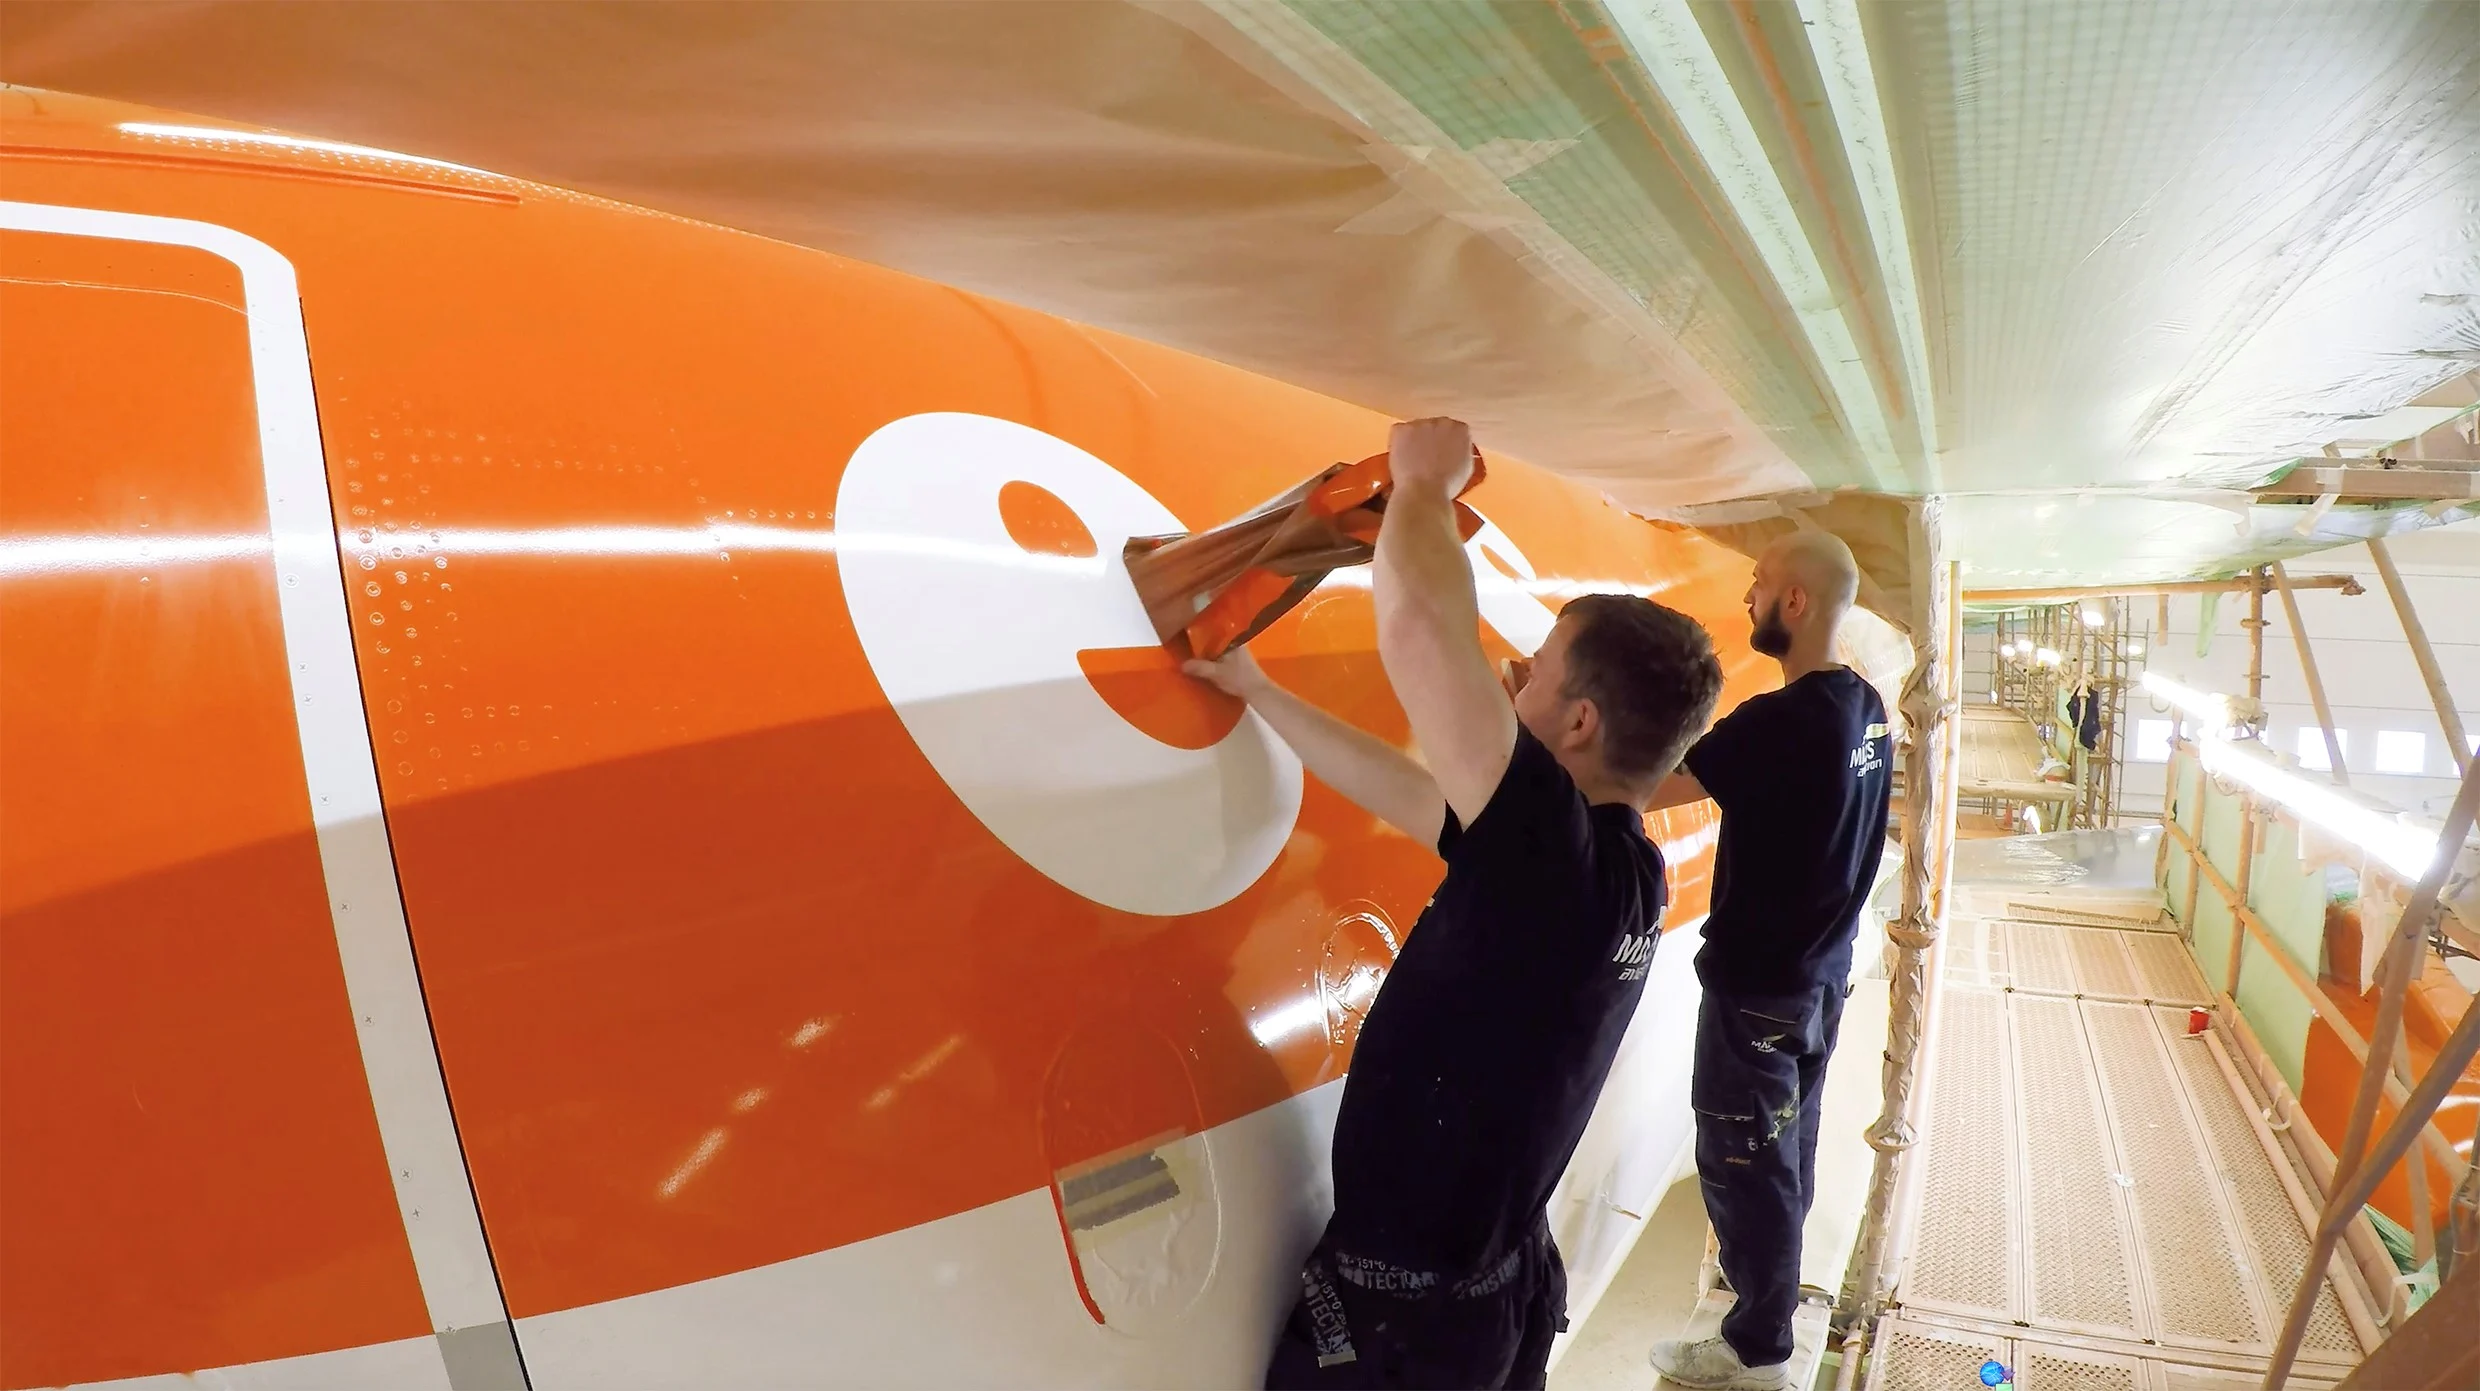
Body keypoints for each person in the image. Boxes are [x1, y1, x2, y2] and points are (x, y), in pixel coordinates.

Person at [1188, 417, 1726, 1390]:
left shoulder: (1553, 857)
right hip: (1485, 1300)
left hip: (1406, 1336)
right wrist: (1254, 687)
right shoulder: (1616, 870)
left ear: (1579, 722)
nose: (1513, 676)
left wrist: (1423, 487)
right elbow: (1410, 791)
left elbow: (1420, 635)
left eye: (1538, 669)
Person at [1644, 531, 1893, 1391]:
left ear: (1795, 600)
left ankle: (1755, 1349)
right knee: (1785, 1151)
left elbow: (1649, 786)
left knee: (1743, 1163)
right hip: (1820, 981)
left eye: (1758, 584)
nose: (1746, 598)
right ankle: (1768, 1318)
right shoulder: (1866, 707)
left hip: (1760, 991)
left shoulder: (1776, 722)